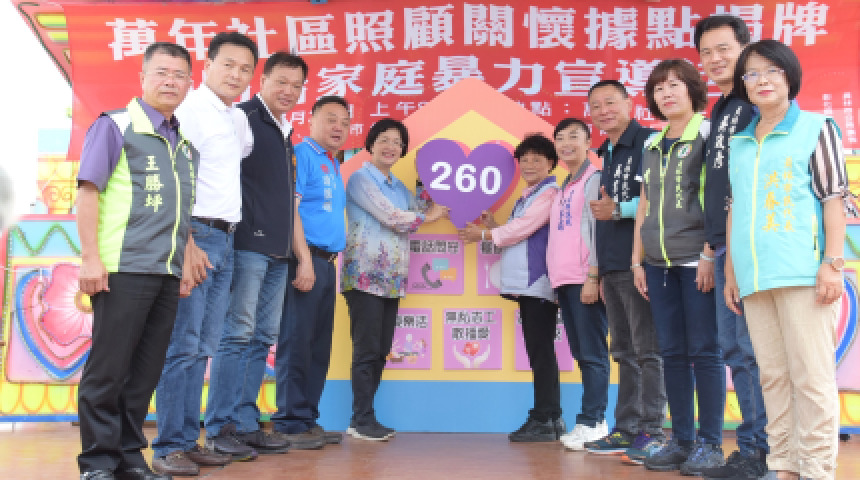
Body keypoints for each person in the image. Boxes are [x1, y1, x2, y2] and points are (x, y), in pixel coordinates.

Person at [725, 39, 853, 480]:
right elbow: (735, 208)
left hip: (803, 273)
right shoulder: (740, 142)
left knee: (811, 377)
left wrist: (832, 263)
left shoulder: (817, 127)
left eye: (771, 71)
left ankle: (816, 469)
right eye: (752, 74)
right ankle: (784, 466)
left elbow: (833, 198)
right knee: (773, 377)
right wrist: (732, 271)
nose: (761, 80)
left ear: (789, 76)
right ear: (743, 84)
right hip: (755, 277)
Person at [76, 42, 198, 480]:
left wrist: (184, 260)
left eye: (180, 75)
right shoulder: (115, 126)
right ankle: (97, 462)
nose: (170, 81)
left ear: (189, 84)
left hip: (165, 272)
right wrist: (90, 259)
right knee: (108, 371)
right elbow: (87, 191)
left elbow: (181, 214)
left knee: (144, 373)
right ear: (143, 77)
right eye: (162, 72)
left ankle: (128, 457)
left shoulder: (184, 144)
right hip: (122, 268)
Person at [152, 32, 258, 475]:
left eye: (245, 69)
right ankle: (167, 447)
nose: (236, 75)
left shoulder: (236, 119)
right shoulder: (191, 111)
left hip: (227, 238)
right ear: (208, 66)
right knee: (183, 344)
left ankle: (186, 440)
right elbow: (177, 176)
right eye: (228, 65)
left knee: (204, 346)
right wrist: (188, 242)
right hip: (196, 235)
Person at [203, 52, 310, 460]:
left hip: (278, 252)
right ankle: (220, 426)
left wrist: (298, 254)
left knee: (262, 337)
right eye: (281, 81)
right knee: (237, 334)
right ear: (262, 80)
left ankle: (246, 423)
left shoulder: (284, 130)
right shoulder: (243, 117)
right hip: (248, 244)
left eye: (296, 86)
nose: (288, 91)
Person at [632, 59, 727, 475]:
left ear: (692, 89)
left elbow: (719, 198)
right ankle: (682, 440)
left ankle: (710, 443)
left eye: (674, 85)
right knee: (671, 352)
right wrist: (637, 260)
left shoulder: (707, 134)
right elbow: (645, 206)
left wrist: (709, 253)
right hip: (657, 263)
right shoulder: (652, 144)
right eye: (658, 88)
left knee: (705, 351)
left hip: (696, 259)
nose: (666, 93)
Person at [694, 15, 770, 480]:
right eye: (706, 52)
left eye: (724, 48)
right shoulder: (720, 109)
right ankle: (751, 449)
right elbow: (718, 186)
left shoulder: (756, 102)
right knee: (735, 352)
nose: (715, 58)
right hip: (724, 246)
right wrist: (711, 249)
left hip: (753, 245)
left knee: (752, 350)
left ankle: (763, 453)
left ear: (745, 49)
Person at [341, 118, 448, 441]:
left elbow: (422, 206)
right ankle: (361, 419)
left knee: (380, 351)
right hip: (364, 277)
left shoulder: (398, 187)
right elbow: (394, 217)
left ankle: (364, 417)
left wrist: (424, 175)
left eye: (398, 143)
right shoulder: (360, 179)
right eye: (384, 140)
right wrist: (427, 215)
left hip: (391, 280)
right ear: (370, 145)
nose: (391, 147)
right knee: (366, 350)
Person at [583, 80, 667, 464]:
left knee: (648, 351)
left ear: (630, 104)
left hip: (642, 263)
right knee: (623, 351)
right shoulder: (605, 153)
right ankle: (627, 428)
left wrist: (620, 210)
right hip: (612, 265)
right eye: (596, 106)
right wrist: (598, 272)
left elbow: (660, 199)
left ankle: (653, 431)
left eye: (611, 102)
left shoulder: (650, 142)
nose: (604, 111)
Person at [459, 134, 564, 442]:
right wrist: (493, 226)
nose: (529, 165)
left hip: (537, 283)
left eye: (537, 160)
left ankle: (545, 417)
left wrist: (483, 235)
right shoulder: (529, 195)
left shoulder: (549, 193)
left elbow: (522, 228)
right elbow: (519, 233)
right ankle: (550, 417)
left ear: (550, 163)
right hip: (528, 286)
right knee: (540, 351)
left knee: (541, 352)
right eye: (524, 160)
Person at [272, 96, 351, 449]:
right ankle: (289, 422)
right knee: (296, 341)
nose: (338, 127)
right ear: (312, 120)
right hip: (305, 260)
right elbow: (291, 210)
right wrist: (303, 259)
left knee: (319, 345)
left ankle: (307, 419)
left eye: (345, 123)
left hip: (327, 263)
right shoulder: (301, 155)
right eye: (331, 119)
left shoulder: (332, 163)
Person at [545, 118, 610, 451]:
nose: (566, 143)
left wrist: (593, 276)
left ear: (588, 143)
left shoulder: (594, 179)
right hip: (564, 281)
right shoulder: (562, 186)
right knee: (582, 353)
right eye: (560, 138)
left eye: (574, 136)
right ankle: (590, 420)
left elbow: (598, 231)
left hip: (586, 279)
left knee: (593, 354)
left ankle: (593, 421)